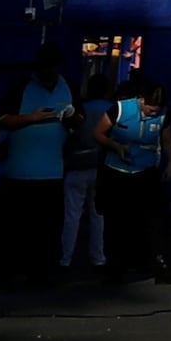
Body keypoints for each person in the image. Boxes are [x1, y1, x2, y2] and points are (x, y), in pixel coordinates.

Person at [0, 61, 73, 289]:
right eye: (44, 67)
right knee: (16, 226)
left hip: (53, 173)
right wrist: (31, 118)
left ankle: (42, 272)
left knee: (47, 227)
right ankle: (11, 270)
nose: (49, 72)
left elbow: (80, 122)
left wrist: (71, 117)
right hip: (19, 173)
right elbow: (1, 120)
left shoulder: (68, 87)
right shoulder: (21, 88)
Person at [97, 66, 171, 285]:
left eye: (157, 110)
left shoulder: (163, 114)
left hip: (145, 172)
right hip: (117, 172)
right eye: (150, 109)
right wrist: (115, 145)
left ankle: (155, 265)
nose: (153, 114)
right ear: (140, 100)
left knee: (153, 220)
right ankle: (114, 269)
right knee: (117, 221)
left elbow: (167, 141)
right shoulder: (119, 109)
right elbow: (98, 133)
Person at [58, 60, 112, 274]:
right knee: (98, 215)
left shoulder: (80, 109)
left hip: (76, 164)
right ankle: (98, 257)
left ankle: (65, 258)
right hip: (100, 165)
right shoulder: (111, 109)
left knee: (72, 215)